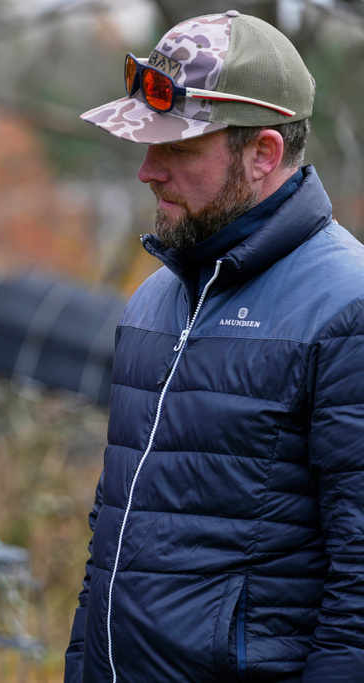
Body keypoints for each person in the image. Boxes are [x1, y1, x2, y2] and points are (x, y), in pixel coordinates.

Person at [66, 10, 364, 682]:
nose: (147, 170)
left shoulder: (348, 308)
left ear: (261, 153)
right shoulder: (153, 301)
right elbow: (110, 541)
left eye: (175, 149)